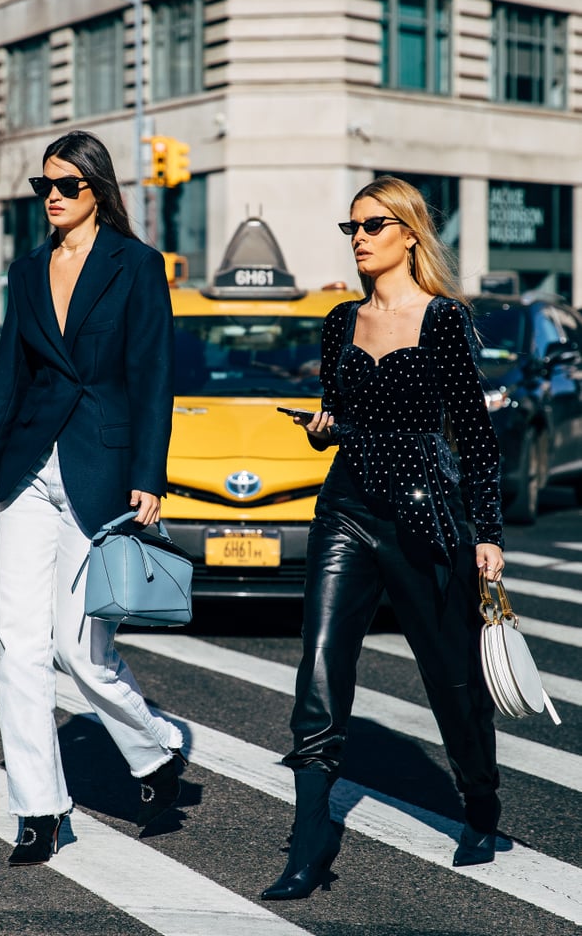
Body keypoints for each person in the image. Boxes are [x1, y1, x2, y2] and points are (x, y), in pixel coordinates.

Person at [261, 176, 505, 901]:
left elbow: (476, 438)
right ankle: (308, 845)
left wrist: (486, 533)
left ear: (407, 233)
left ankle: (480, 806)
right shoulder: (339, 320)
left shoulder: (442, 321)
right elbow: (335, 416)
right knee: (319, 667)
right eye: (352, 227)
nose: (359, 237)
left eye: (372, 225)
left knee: (451, 678)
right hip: (345, 508)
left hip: (425, 516)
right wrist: (319, 429)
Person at [0, 130, 186, 866]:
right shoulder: (26, 272)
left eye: (65, 184)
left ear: (97, 190)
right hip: (27, 470)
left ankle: (156, 747)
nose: (51, 196)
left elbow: (152, 374)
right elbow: (6, 381)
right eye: (42, 185)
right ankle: (39, 808)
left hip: (103, 468)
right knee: (16, 644)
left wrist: (149, 474)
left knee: (81, 652)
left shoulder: (137, 266)